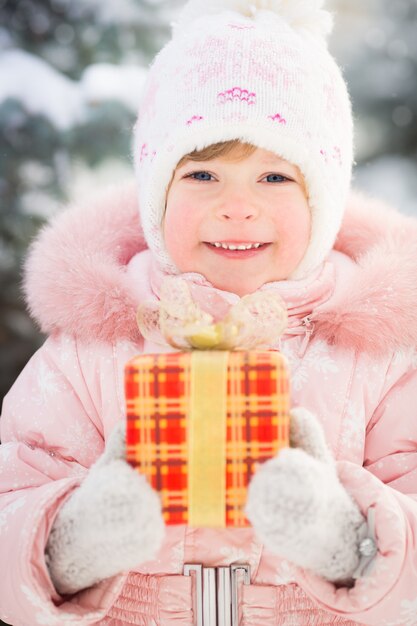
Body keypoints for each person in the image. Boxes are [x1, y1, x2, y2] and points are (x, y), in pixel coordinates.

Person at [1, 0, 417, 624]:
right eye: (201, 175)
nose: (238, 207)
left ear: (325, 199)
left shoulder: (378, 359)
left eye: (275, 178)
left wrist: (348, 542)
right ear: (155, 193)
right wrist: (71, 544)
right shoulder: (92, 351)